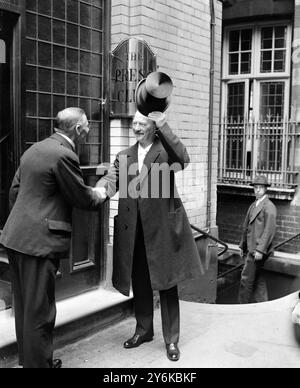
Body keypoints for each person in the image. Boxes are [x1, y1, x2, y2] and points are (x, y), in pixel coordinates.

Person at [0, 107, 106, 368]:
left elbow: (15, 193)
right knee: (41, 313)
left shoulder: (34, 149)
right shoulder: (64, 154)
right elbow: (81, 197)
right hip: (38, 244)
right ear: (77, 129)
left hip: (15, 239)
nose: (89, 130)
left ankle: (33, 362)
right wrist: (102, 192)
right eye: (87, 126)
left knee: (25, 309)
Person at [97, 110, 203, 362]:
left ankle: (172, 340)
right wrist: (101, 191)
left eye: (141, 124)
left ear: (154, 127)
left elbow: (184, 158)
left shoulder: (166, 153)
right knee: (141, 282)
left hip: (163, 232)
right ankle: (144, 330)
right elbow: (111, 178)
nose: (135, 127)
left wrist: (165, 125)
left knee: (166, 284)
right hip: (134, 231)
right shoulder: (124, 156)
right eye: (134, 123)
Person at [239, 175, 277, 304]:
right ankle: (263, 305)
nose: (257, 190)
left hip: (257, 250)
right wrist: (241, 246)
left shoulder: (269, 206)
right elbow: (246, 227)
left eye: (260, 188)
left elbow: (269, 230)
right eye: (255, 187)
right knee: (258, 279)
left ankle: (241, 308)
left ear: (266, 189)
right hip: (250, 248)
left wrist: (260, 250)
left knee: (246, 279)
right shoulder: (253, 205)